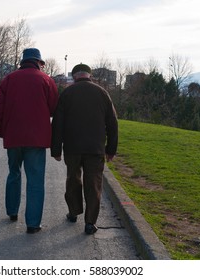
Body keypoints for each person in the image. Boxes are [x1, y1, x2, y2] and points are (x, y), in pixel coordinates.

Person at [0, 48, 59, 234]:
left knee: (14, 173)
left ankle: (12, 211)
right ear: (38, 62)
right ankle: (33, 223)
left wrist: (3, 132)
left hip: (13, 138)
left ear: (23, 61)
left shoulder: (9, 80)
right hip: (36, 139)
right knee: (35, 180)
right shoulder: (46, 80)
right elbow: (54, 108)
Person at [51, 63, 118, 234]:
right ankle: (90, 222)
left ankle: (73, 212)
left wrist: (56, 149)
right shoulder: (103, 93)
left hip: (72, 147)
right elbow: (112, 123)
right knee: (93, 184)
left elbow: (58, 123)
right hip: (95, 148)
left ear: (74, 76)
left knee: (73, 180)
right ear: (90, 75)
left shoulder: (67, 93)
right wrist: (111, 149)